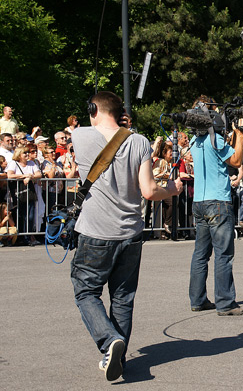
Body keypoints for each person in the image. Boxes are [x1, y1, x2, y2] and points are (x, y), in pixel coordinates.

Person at [70, 91, 183, 382]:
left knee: (86, 291)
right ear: (121, 114)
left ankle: (109, 343)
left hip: (95, 231)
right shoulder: (138, 141)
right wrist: (171, 189)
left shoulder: (80, 136)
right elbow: (148, 191)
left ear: (93, 108)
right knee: (122, 298)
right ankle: (117, 356)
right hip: (130, 232)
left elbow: (86, 130)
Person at [189, 114, 243, 316]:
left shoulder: (194, 141)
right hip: (218, 202)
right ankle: (226, 303)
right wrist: (240, 134)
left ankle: (197, 300)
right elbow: (236, 159)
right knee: (224, 254)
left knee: (200, 254)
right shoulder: (217, 140)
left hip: (199, 201)